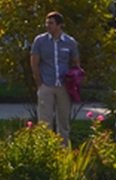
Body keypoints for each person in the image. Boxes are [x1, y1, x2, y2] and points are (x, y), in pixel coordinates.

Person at [30, 11, 80, 146]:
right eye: (47, 23)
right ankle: (45, 148)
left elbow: (75, 63)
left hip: (64, 85)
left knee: (63, 120)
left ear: (59, 25)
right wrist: (39, 82)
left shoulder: (70, 42)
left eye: (51, 23)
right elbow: (34, 62)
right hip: (46, 84)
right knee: (45, 120)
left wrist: (74, 80)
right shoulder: (40, 41)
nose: (48, 26)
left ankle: (63, 149)